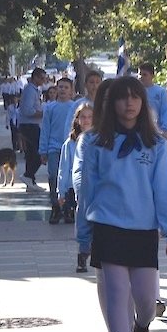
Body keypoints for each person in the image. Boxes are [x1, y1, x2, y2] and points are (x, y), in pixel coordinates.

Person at [74, 76, 167, 332]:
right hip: (108, 227)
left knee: (146, 299)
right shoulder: (94, 142)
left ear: (143, 103)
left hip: (143, 229)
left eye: (136, 97)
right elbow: (87, 191)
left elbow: (164, 190)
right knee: (117, 294)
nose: (130, 103)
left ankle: (142, 328)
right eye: (123, 98)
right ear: (112, 104)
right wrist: (84, 237)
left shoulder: (157, 143)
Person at [59, 102, 94, 269]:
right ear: (77, 120)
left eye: (90, 117)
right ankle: (83, 253)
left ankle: (93, 250)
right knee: (82, 222)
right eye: (83, 117)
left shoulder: (100, 140)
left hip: (96, 189)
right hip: (77, 189)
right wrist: (61, 191)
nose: (86, 120)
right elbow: (64, 168)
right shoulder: (70, 143)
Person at [39, 77, 78, 224]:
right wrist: (43, 150)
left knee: (69, 178)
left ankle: (68, 207)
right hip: (54, 148)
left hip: (71, 147)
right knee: (54, 175)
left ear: (71, 91)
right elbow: (45, 130)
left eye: (66, 87)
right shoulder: (50, 108)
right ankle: (55, 206)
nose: (62, 90)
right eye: (60, 87)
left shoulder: (75, 107)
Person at [18, 68, 48, 187]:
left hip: (33, 124)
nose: (43, 80)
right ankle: (28, 174)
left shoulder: (35, 90)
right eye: (41, 78)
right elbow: (27, 110)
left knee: (31, 153)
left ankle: (30, 179)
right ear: (35, 77)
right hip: (29, 125)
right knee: (38, 152)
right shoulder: (30, 91)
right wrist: (43, 113)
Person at [137, 63, 167, 137]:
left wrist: (165, 129)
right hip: (139, 130)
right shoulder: (135, 92)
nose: (141, 77)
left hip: (157, 131)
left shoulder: (160, 92)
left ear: (152, 76)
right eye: (140, 74)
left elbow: (166, 111)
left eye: (144, 74)